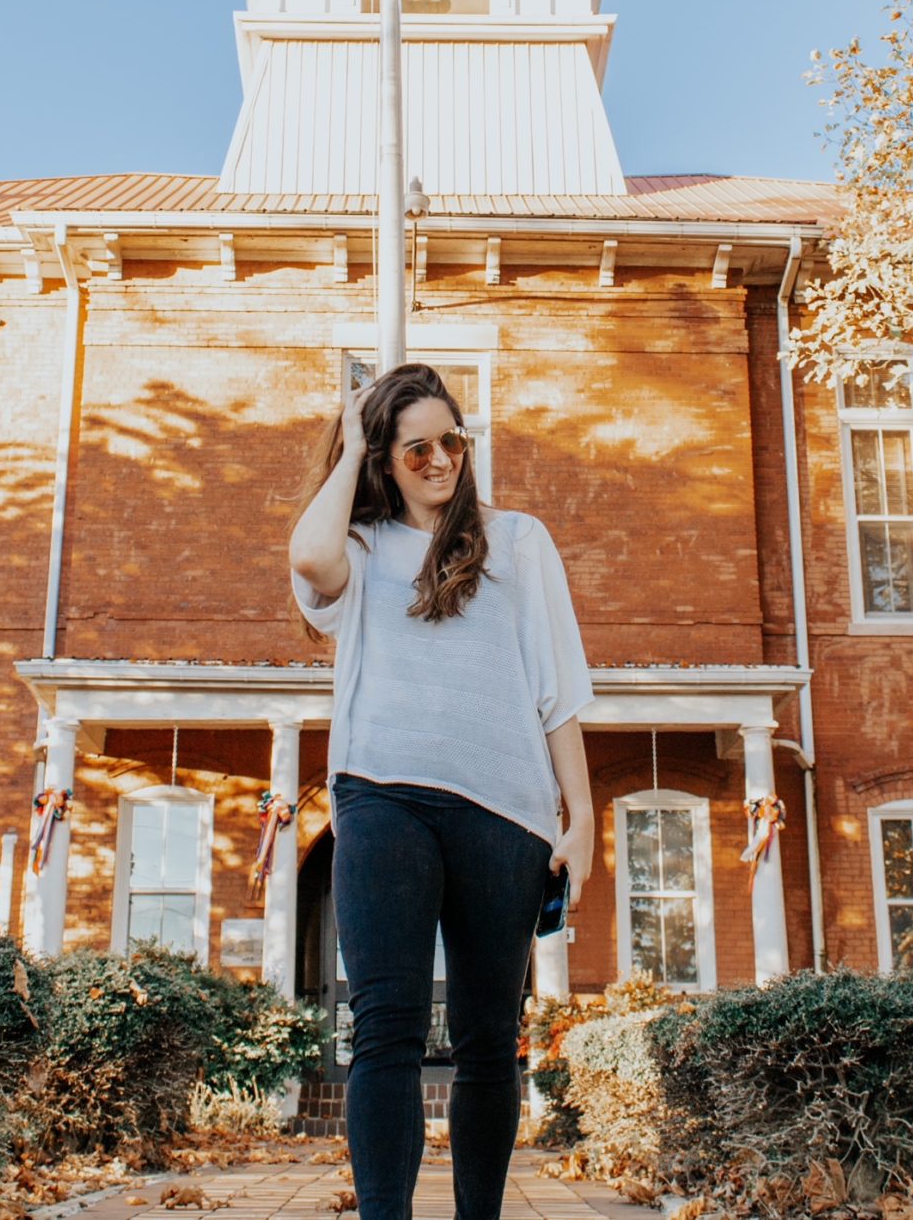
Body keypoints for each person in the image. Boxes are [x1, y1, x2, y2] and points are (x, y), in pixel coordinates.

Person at [287, 363, 595, 1220]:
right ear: (385, 459)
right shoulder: (360, 547)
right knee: (385, 1026)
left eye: (451, 442)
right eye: (414, 447)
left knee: (489, 1041)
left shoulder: (519, 542)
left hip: (506, 811)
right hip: (383, 794)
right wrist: (351, 447)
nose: (438, 461)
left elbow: (557, 690)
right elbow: (307, 554)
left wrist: (584, 818)